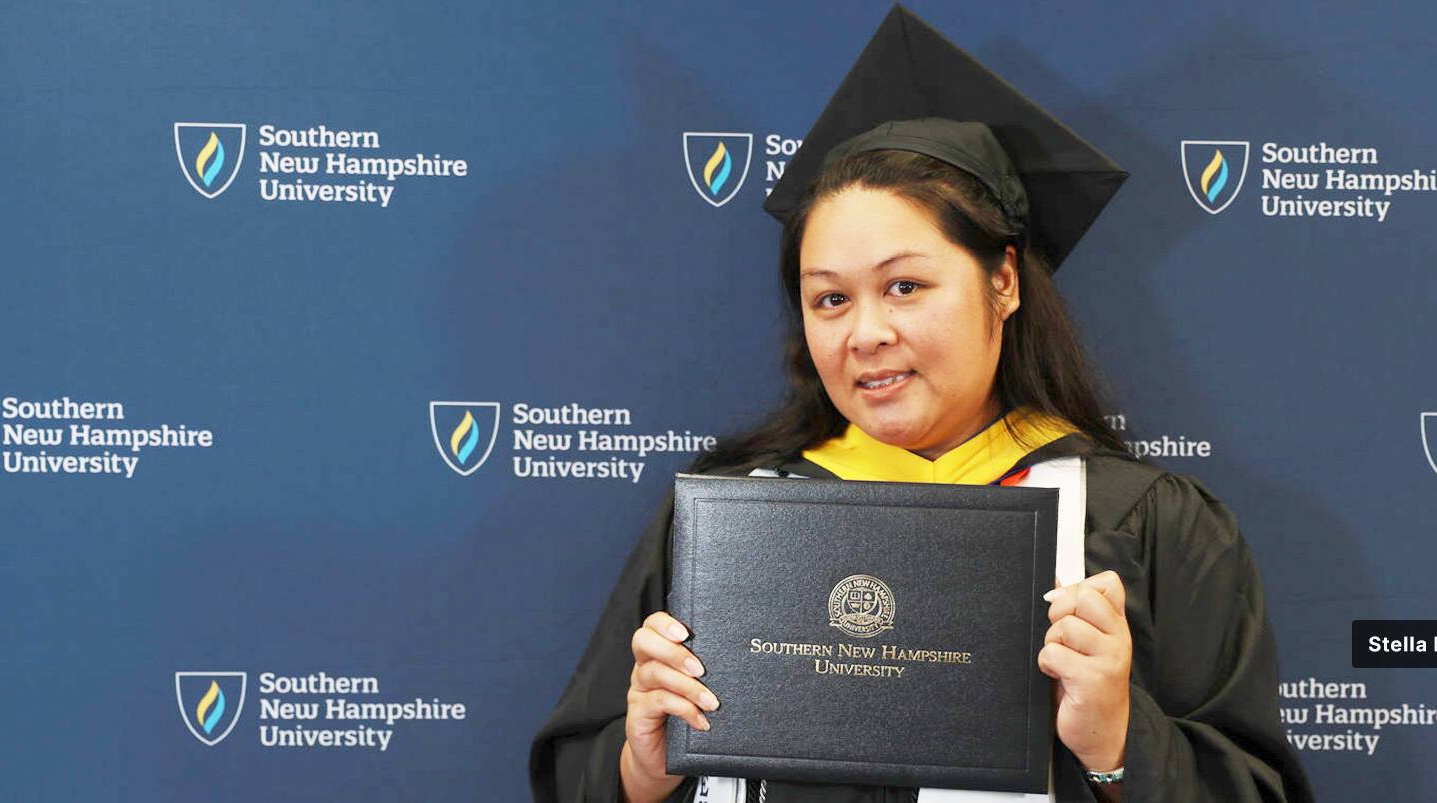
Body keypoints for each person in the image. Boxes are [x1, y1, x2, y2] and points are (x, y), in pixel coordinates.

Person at [530, 7, 1313, 802]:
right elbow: (576, 778)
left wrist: (1118, 740)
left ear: (1003, 281)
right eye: (830, 299)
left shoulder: (1147, 524)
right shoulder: (723, 522)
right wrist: (640, 770)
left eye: (905, 286)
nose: (866, 332)